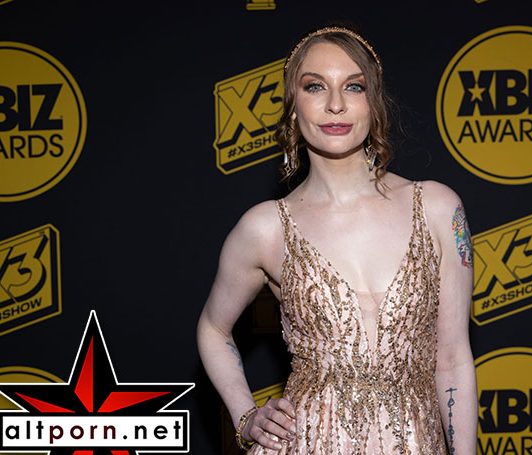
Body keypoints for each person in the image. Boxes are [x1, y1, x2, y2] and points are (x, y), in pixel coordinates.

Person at [197, 25, 477, 454]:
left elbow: (453, 359)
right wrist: (246, 416)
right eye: (315, 86)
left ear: (373, 102)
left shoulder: (438, 208)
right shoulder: (266, 228)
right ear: (293, 106)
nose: (335, 104)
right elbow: (213, 328)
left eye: (353, 86)